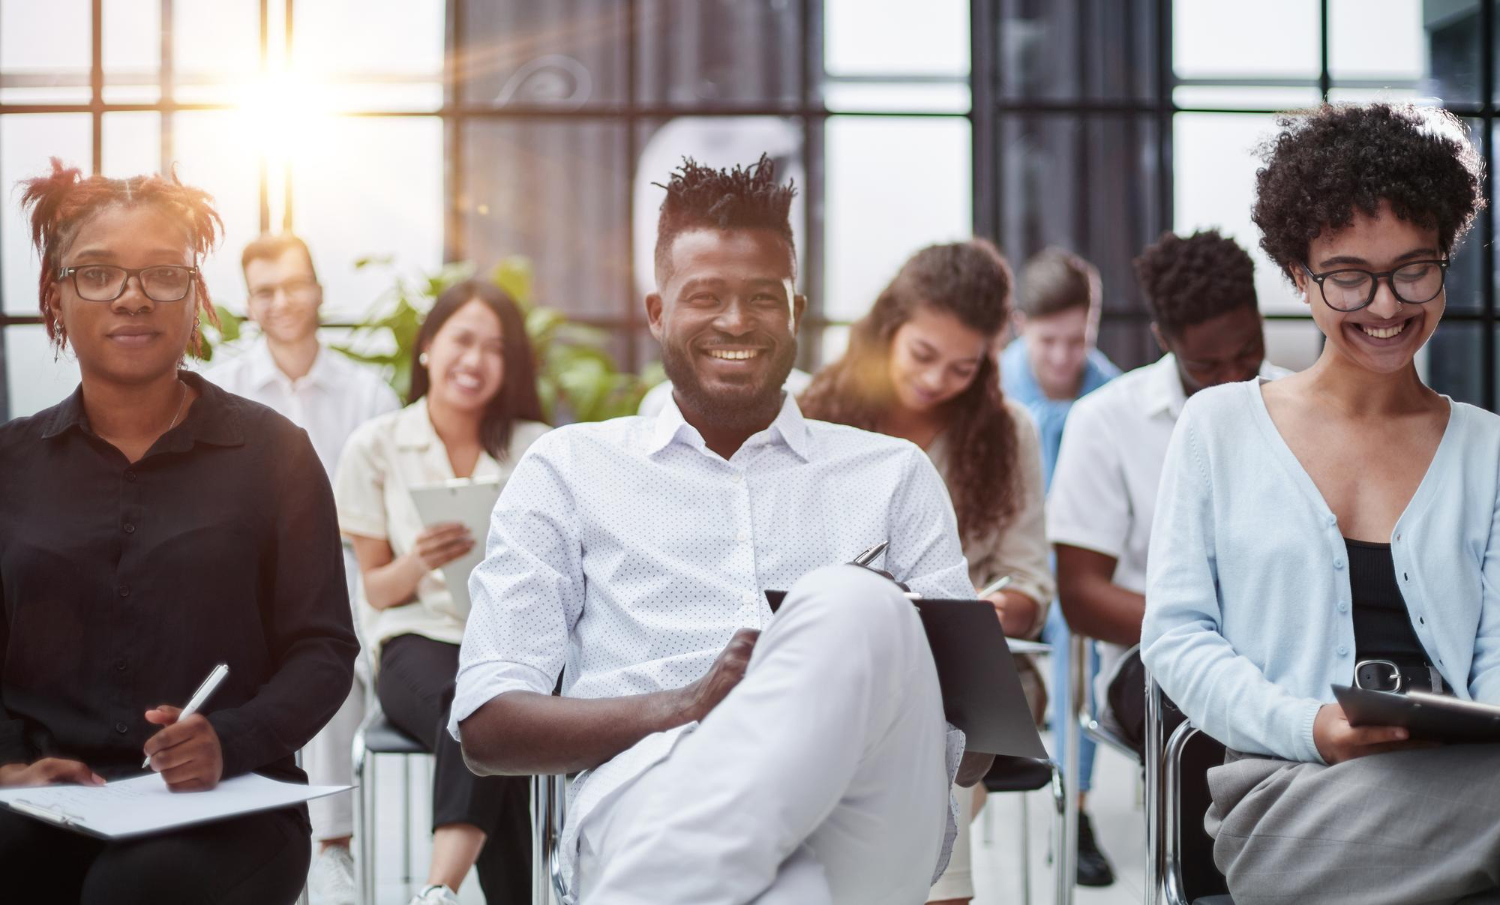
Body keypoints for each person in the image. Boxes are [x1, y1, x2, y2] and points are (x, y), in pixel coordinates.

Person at [451, 155, 994, 905]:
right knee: (792, 891)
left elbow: (971, 746)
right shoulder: (571, 469)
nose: (736, 321)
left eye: (762, 299)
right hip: (658, 786)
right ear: (657, 312)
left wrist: (906, 660)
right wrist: (685, 703)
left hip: (860, 805)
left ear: (797, 311)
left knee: (850, 603)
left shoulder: (892, 474)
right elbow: (486, 726)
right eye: (705, 295)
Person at [1143, 103, 1500, 902]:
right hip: (1287, 799)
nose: (1385, 305)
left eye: (1414, 268)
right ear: (1300, 276)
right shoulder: (1220, 426)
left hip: (1466, 789)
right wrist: (1314, 727)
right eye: (1348, 277)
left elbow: (1495, 656)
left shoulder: (1488, 450)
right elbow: (1176, 637)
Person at [0, 161, 357, 904]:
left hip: (228, 800)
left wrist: (234, 737)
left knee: (136, 890)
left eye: (163, 273)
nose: (132, 295)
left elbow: (323, 650)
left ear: (194, 298)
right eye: (97, 273)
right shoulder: (10, 465)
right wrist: (7, 766)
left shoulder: (274, 454)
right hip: (43, 794)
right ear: (54, 299)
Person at [799, 238, 1053, 905]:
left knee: (935, 717)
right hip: (845, 658)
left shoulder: (1008, 432)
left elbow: (1030, 582)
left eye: (962, 366)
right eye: (923, 355)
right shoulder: (815, 416)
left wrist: (991, 610)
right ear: (889, 329)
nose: (937, 379)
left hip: (977, 672)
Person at [333, 279, 548, 905]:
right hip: (416, 639)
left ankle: (434, 895)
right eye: (462, 340)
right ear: (428, 346)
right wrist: (418, 560)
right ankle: (441, 891)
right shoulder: (375, 446)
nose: (475, 361)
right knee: (480, 710)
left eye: (494, 348)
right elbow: (375, 590)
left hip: (513, 644)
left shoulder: (536, 448)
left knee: (499, 709)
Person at [202, 233, 399, 905]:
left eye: (294, 284)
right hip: (239, 582)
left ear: (317, 289)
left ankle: (333, 846)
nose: (283, 301)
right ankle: (248, 842)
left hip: (339, 570)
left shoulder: (368, 393)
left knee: (329, 653)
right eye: (266, 291)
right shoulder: (217, 386)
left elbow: (386, 513)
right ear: (249, 305)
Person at [1049, 229, 1284, 756]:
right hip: (1152, 659)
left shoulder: (1304, 407)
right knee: (1207, 726)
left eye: (1248, 352)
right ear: (1163, 339)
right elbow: (1082, 597)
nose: (1230, 378)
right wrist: (1214, 635)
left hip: (1290, 649)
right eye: (1206, 365)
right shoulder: (1106, 421)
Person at [998, 247, 1120, 886]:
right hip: (1011, 572)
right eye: (1049, 340)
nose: (1065, 357)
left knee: (1082, 639)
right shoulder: (986, 386)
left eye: (1079, 339)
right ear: (1021, 325)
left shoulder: (1115, 395)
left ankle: (1074, 810)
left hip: (1076, 580)